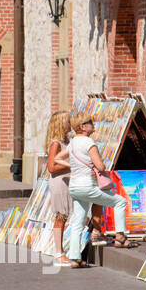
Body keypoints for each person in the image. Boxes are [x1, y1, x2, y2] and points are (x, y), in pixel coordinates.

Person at [63, 112, 130, 266]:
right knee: (120, 202)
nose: (93, 124)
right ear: (82, 126)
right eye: (90, 122)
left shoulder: (72, 143)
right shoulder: (89, 143)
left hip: (75, 187)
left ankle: (74, 257)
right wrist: (98, 166)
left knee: (78, 222)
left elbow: (61, 158)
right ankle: (120, 236)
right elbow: (100, 166)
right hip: (88, 185)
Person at [44, 111, 73, 266]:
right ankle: (59, 253)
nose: (70, 123)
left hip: (66, 181)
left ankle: (62, 251)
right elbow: (51, 167)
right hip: (59, 182)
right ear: (61, 124)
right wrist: (71, 166)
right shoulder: (56, 143)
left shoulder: (67, 141)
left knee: (64, 216)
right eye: (68, 121)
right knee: (60, 216)